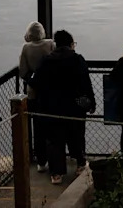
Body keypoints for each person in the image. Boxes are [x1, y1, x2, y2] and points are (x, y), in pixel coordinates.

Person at [31, 29, 95, 185]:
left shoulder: (46, 61)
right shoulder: (78, 60)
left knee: (54, 140)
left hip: (52, 108)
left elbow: (35, 82)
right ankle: (80, 163)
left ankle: (57, 173)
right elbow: (86, 83)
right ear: (70, 44)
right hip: (75, 107)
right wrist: (91, 102)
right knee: (77, 136)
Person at [18, 21, 54, 172]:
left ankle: (41, 161)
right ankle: (55, 159)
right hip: (51, 92)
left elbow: (22, 72)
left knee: (37, 128)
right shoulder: (51, 44)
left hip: (33, 93)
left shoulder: (26, 48)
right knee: (52, 127)